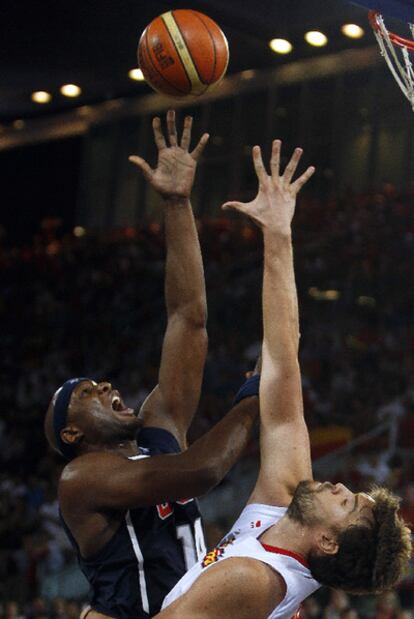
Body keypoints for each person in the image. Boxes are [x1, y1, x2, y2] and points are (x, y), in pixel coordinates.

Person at [157, 141, 412, 619]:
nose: (339, 486)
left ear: (328, 541)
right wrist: (278, 233)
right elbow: (281, 357)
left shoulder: (252, 580)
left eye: (348, 502)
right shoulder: (285, 499)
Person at [44, 111, 259, 619]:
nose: (106, 386)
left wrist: (178, 204)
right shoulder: (81, 478)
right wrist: (251, 406)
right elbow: (200, 471)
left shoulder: (158, 428)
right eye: (87, 392)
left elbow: (187, 319)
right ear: (73, 434)